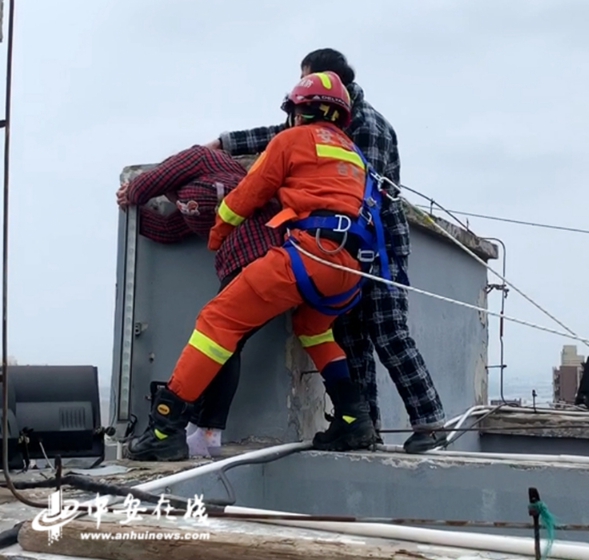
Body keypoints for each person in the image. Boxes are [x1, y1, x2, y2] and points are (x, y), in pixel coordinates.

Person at [125, 71, 382, 462]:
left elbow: (248, 192)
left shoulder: (291, 139)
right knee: (311, 329)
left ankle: (165, 428)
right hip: (351, 269)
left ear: (298, 112)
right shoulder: (355, 155)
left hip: (310, 255)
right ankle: (354, 416)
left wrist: (219, 231)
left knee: (218, 321)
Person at [207, 48, 447, 454]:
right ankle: (361, 424)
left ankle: (430, 423)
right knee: (349, 336)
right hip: (346, 249)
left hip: (376, 246)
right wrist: (224, 143)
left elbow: (358, 198)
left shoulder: (367, 125)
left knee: (388, 333)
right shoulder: (328, 119)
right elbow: (284, 135)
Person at [117, 145, 284, 460]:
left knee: (218, 338)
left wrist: (134, 191)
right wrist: (133, 218)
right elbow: (170, 230)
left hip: (258, 253)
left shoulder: (208, 162)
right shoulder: (188, 206)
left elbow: (174, 168)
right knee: (227, 345)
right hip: (247, 261)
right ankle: (205, 432)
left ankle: (183, 429)